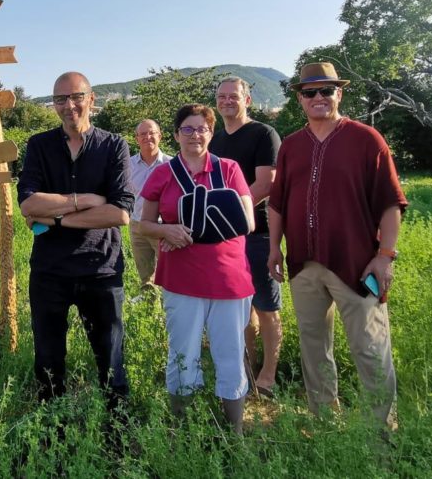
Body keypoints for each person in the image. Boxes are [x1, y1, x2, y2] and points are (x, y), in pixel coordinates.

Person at [267, 62, 406, 428]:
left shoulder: (365, 139)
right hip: (303, 264)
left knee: (370, 348)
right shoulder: (293, 146)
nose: (318, 97)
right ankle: (324, 422)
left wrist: (385, 256)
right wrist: (273, 251)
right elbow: (278, 203)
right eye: (310, 92)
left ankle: (382, 434)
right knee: (314, 349)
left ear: (338, 94)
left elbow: (391, 202)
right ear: (300, 99)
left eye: (326, 90)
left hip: (356, 263)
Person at [18, 72, 134, 411]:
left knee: (111, 362)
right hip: (50, 271)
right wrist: (86, 199)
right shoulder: (39, 145)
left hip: (101, 269)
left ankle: (119, 438)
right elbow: (28, 204)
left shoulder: (114, 145)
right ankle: (53, 435)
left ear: (91, 99)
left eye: (76, 96)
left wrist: (54, 218)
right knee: (48, 362)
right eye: (60, 99)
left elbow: (120, 213)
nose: (69, 105)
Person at [138, 103, 255, 434]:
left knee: (231, 352)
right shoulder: (162, 173)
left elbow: (246, 221)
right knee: (182, 353)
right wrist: (167, 230)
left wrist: (197, 229)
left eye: (201, 128)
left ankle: (234, 433)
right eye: (187, 129)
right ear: (176, 135)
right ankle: (182, 429)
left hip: (228, 277)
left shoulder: (229, 169)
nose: (194, 135)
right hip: (182, 278)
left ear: (211, 132)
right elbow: (144, 224)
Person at [209, 77, 283, 396]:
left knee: (266, 307)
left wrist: (227, 215)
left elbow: (265, 184)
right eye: (221, 96)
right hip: (225, 239)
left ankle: (268, 374)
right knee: (240, 308)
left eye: (234, 96)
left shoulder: (263, 134)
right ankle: (247, 369)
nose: (227, 101)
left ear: (247, 100)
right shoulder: (215, 141)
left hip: (259, 233)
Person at [126, 119, 172, 300]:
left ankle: (169, 309)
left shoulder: (171, 164)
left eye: (152, 132)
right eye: (142, 134)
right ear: (136, 139)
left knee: (169, 272)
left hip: (162, 227)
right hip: (136, 225)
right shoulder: (128, 165)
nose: (148, 137)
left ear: (160, 136)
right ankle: (150, 309)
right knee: (145, 273)